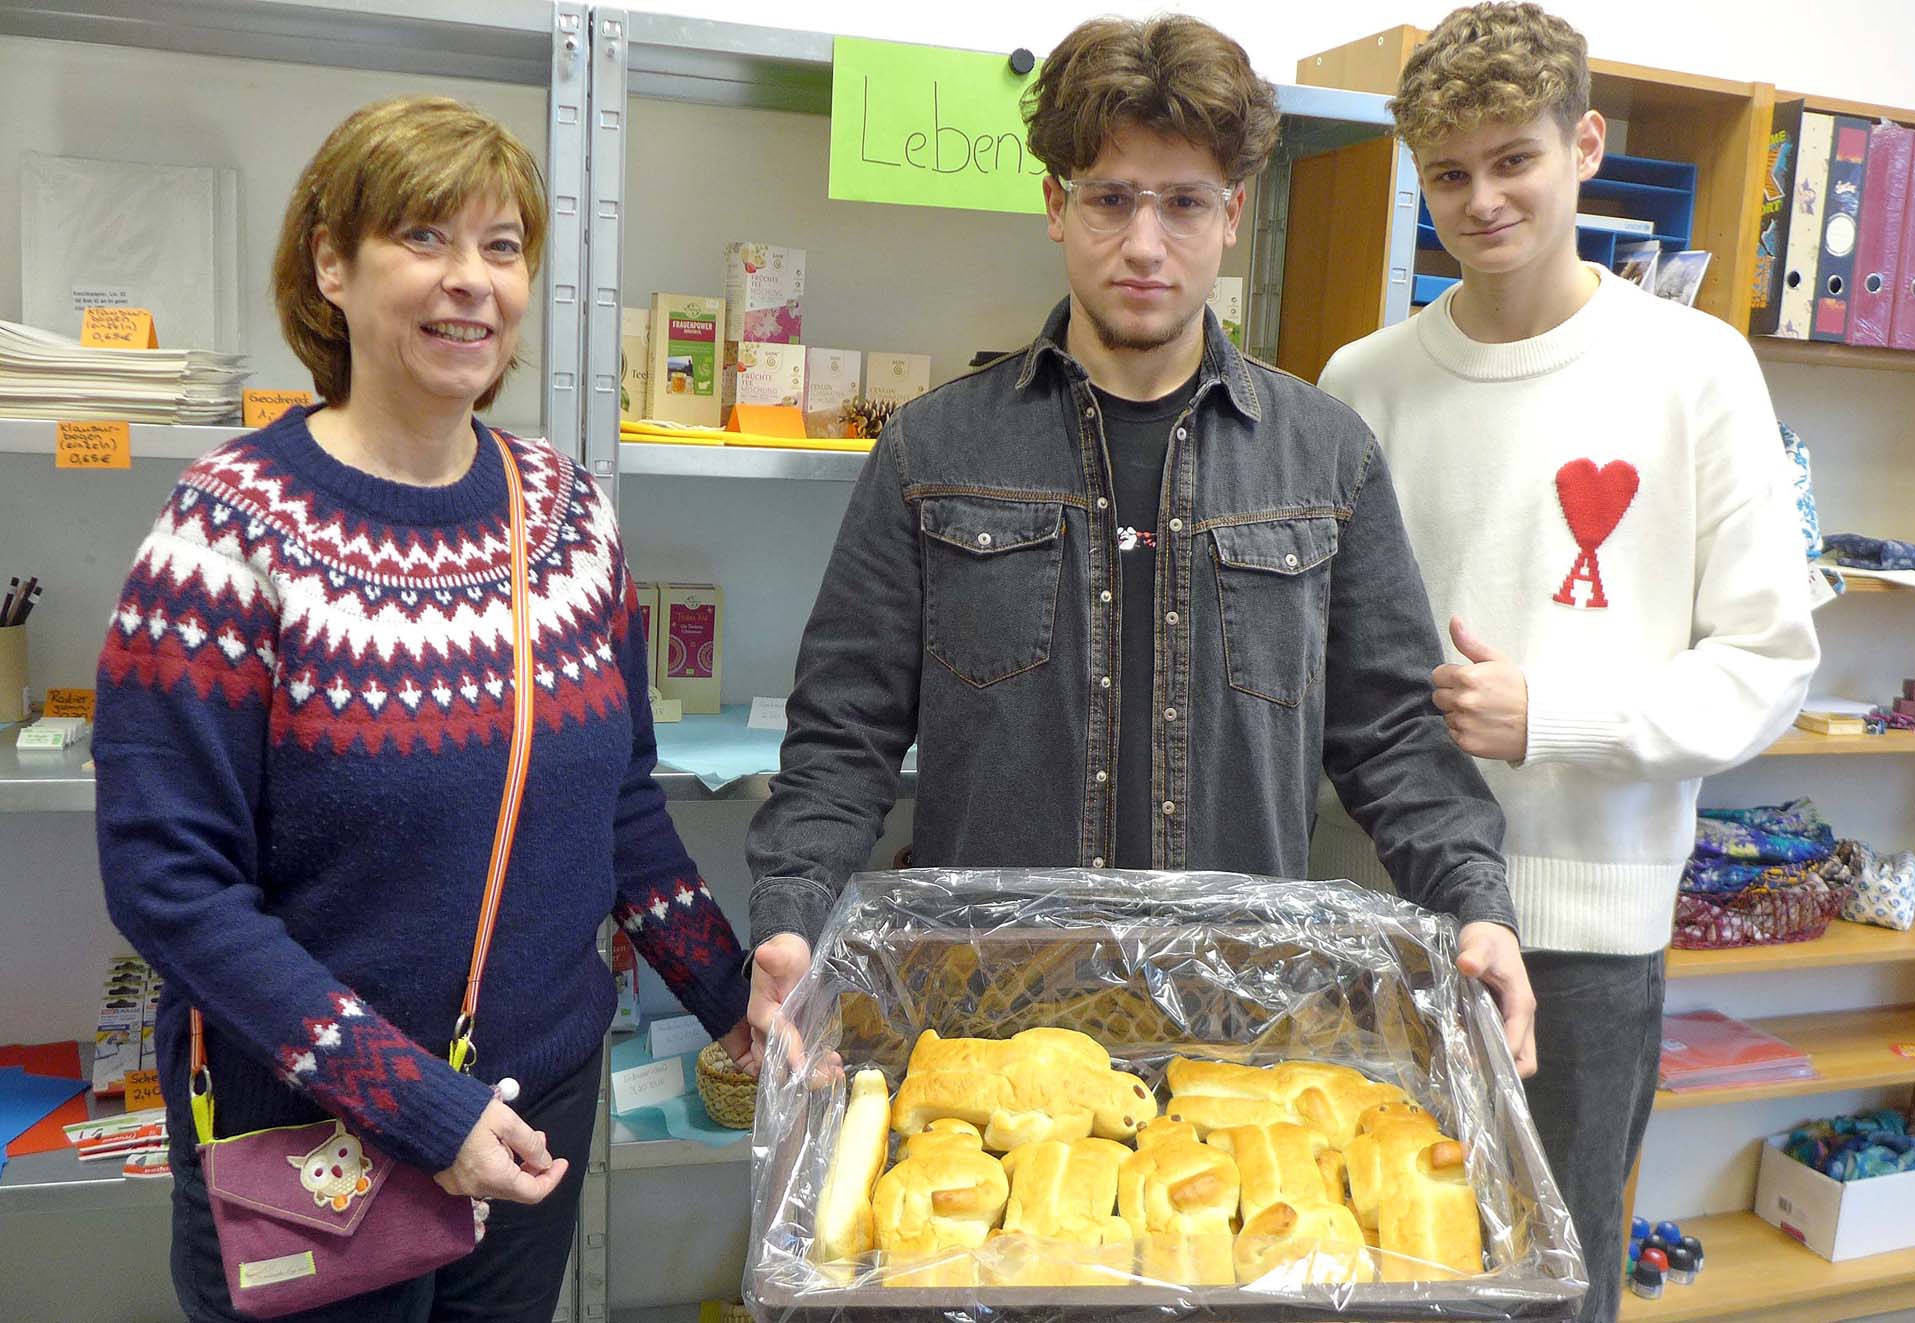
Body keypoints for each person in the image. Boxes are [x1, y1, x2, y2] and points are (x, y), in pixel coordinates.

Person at [742, 16, 1535, 1079]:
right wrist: (791, 918)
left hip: (1238, 1034)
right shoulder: (933, 449)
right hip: (980, 1030)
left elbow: (1392, 735)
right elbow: (844, 733)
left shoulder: (1323, 456)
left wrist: (1476, 907)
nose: (1146, 244)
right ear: (1056, 206)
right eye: (1112, 199)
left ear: (1232, 215)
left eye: (1183, 203)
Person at [94, 96, 751, 1323]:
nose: (472, 284)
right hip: (314, 1139)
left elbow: (618, 809)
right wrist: (414, 1105)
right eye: (423, 239)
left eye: (502, 247)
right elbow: (168, 885)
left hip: (534, 1115)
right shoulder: (230, 532)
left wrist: (735, 999)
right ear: (331, 266)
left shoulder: (564, 512)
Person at [1311, 6, 1819, 1317]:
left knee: (1551, 1271)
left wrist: (1555, 714)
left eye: (1514, 159)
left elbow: (1769, 660)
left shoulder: (1697, 370)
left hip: (1587, 930)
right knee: (1355, 1258)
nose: (1483, 200)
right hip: (1386, 903)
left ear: (1585, 144)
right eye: (1451, 173)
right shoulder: (1360, 384)